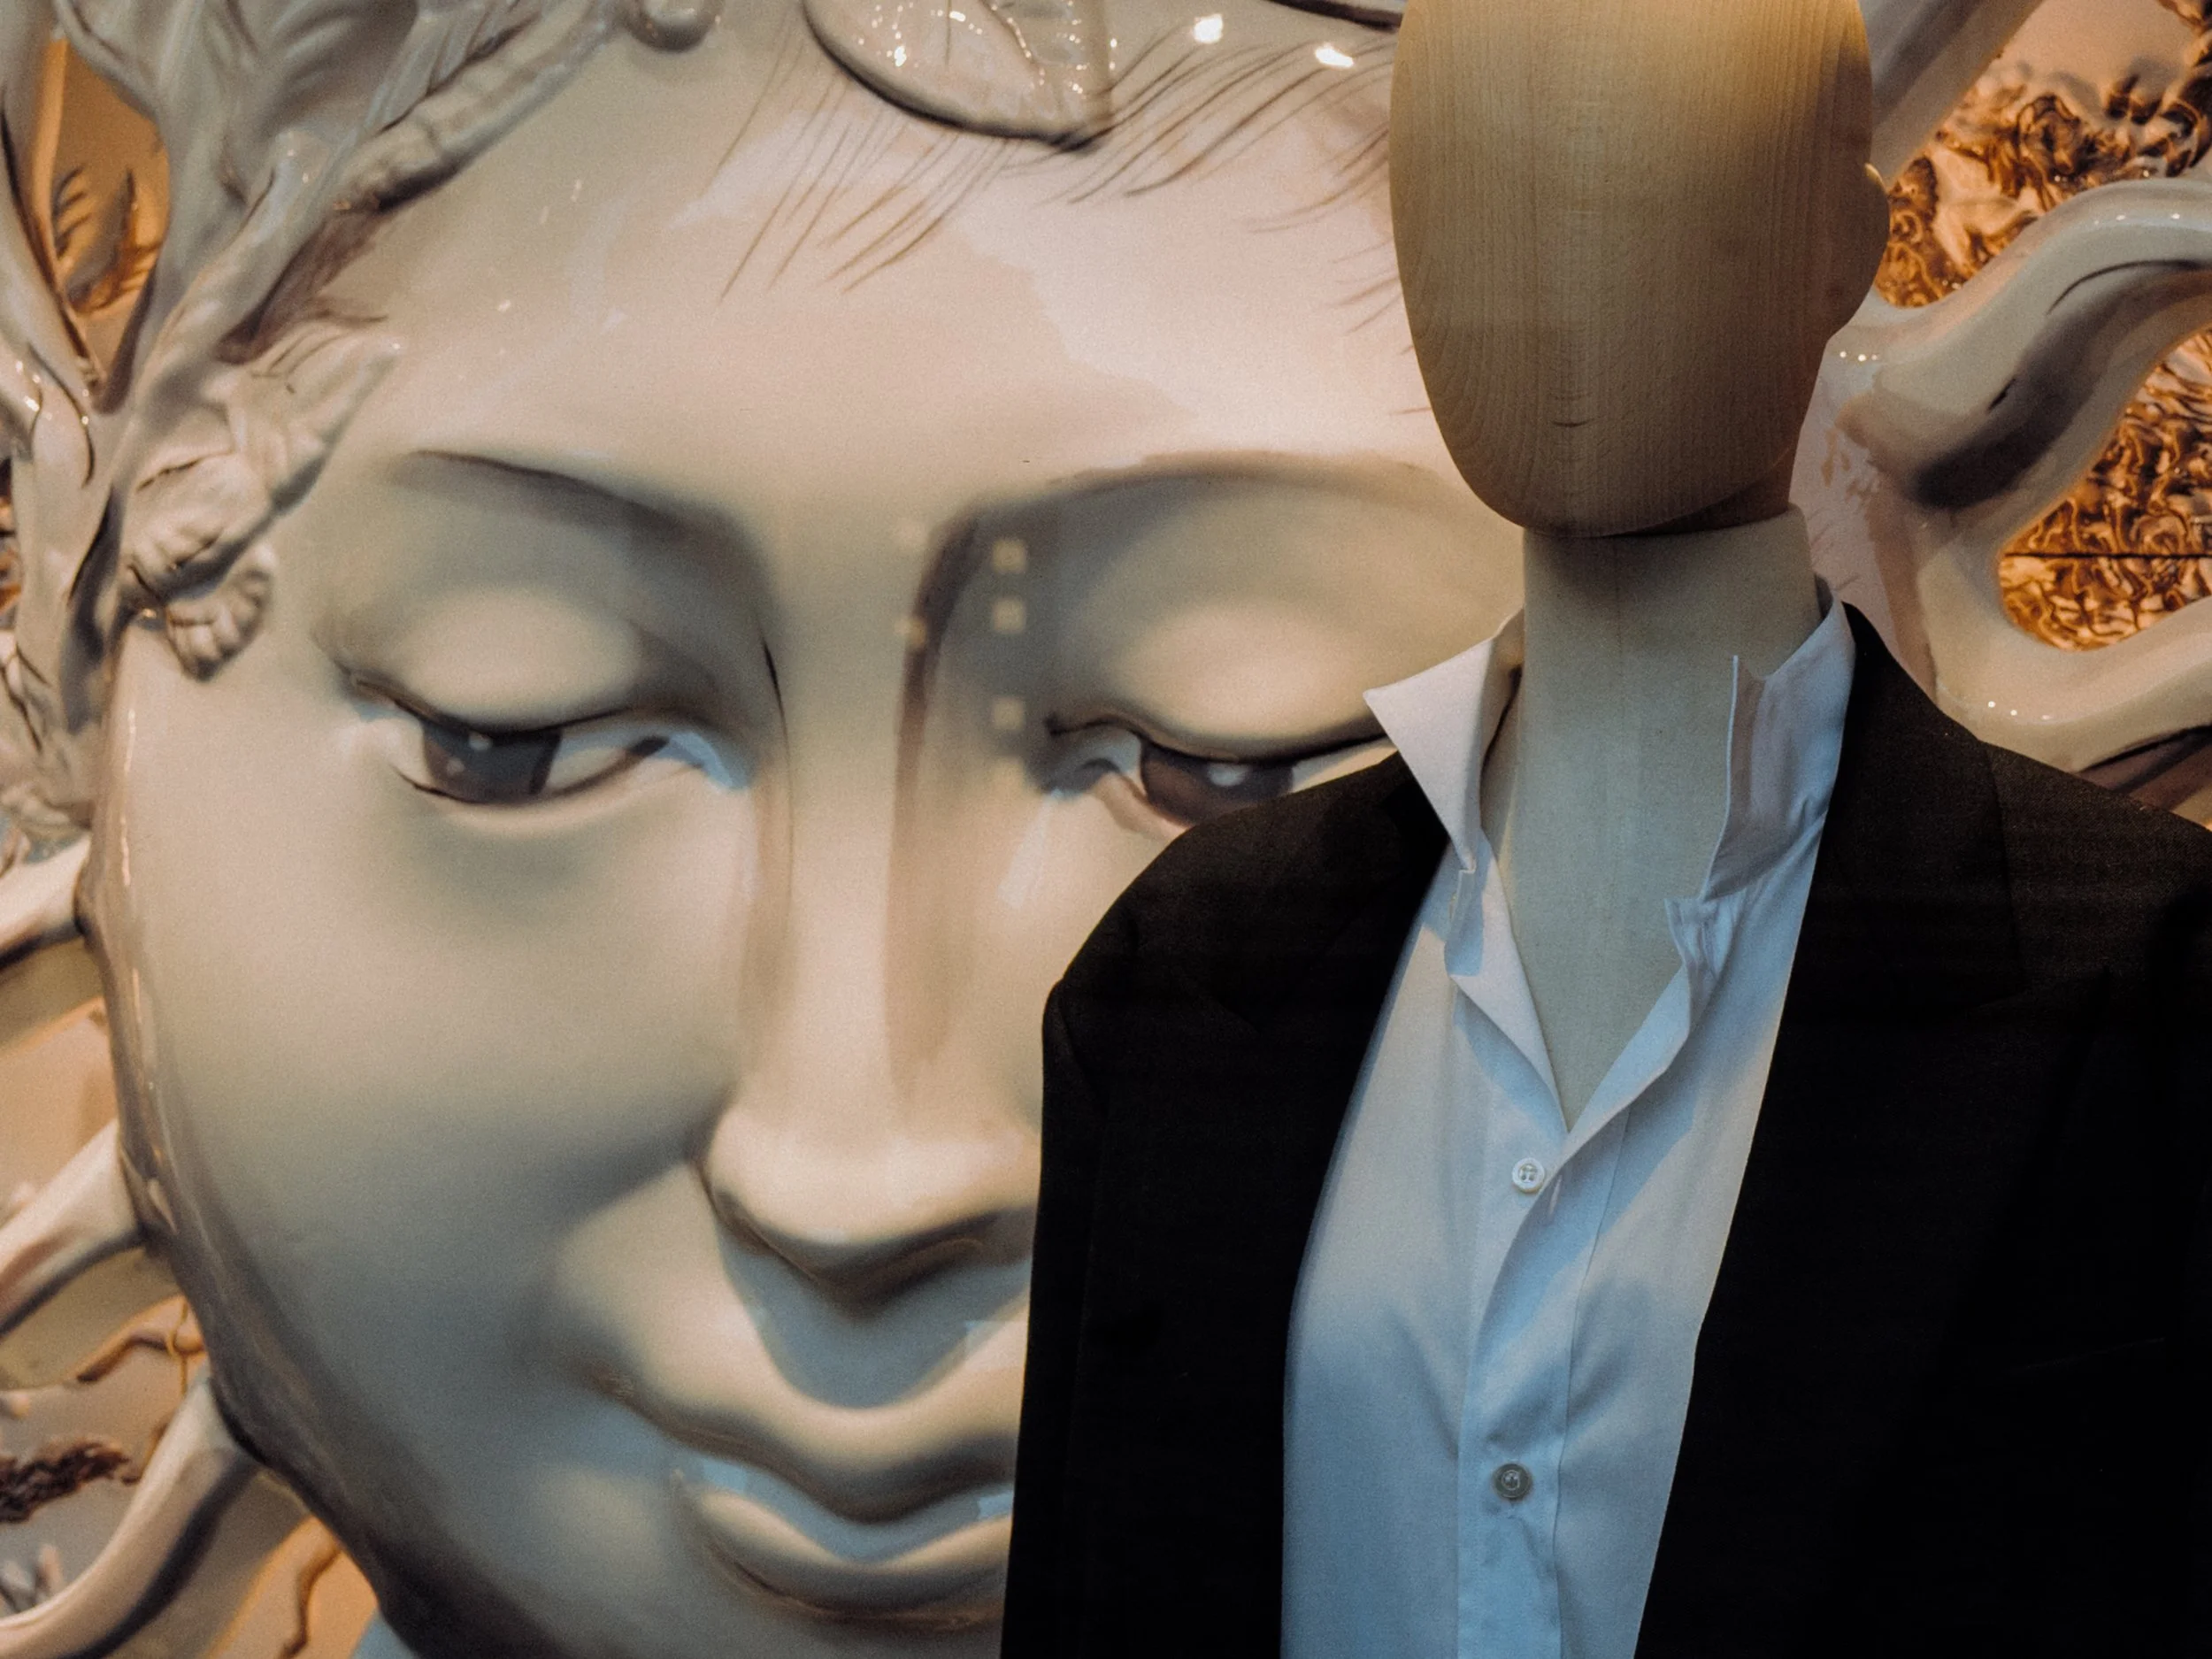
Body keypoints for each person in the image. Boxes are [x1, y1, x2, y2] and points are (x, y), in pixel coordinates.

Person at [1002, 0, 2212, 1655]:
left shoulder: (2146, 986)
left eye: (1654, 173)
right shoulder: (1183, 976)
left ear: (1844, 247)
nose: (1558, 263)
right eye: (1478, 181)